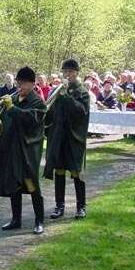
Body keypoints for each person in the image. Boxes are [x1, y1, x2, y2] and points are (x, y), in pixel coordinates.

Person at [0, 66, 46, 234]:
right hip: (11, 148)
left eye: (24, 83)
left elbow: (30, 120)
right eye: (19, 82)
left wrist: (12, 108)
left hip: (27, 151)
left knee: (31, 184)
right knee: (14, 183)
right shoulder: (14, 99)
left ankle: (39, 220)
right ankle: (16, 219)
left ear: (33, 84)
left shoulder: (38, 102)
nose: (20, 86)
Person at [44, 59, 90, 219]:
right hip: (59, 137)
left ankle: (81, 207)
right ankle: (59, 206)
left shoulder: (82, 91)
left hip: (75, 138)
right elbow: (50, 112)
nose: (67, 74)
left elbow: (81, 112)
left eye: (70, 72)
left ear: (77, 73)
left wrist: (66, 98)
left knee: (77, 172)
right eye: (65, 72)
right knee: (59, 170)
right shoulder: (58, 91)